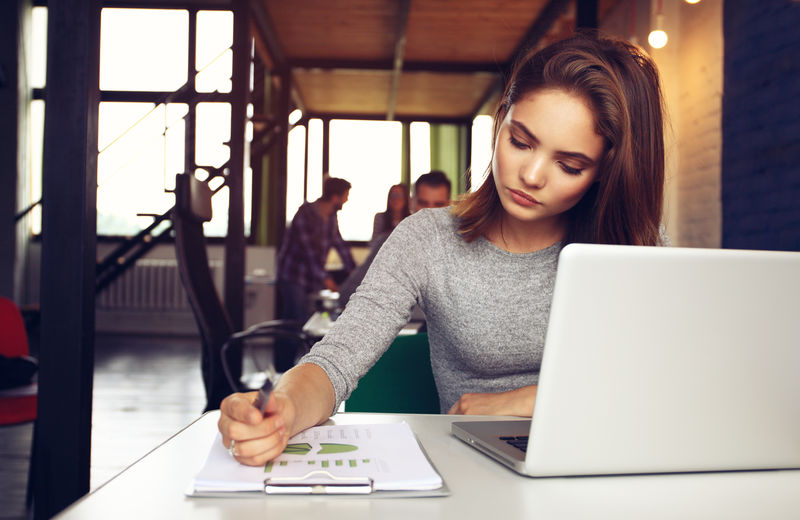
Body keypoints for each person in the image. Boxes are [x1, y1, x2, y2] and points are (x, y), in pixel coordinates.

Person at [219, 32, 666, 466]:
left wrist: (529, 401)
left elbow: (661, 382)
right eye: (520, 141)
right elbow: (337, 357)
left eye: (569, 165)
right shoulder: (426, 238)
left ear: (605, 171)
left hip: (603, 464)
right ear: (501, 118)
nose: (531, 175)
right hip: (474, 474)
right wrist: (284, 408)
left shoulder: (632, 249)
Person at [273, 176, 356, 371]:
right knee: (294, 321)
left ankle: (293, 367)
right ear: (335, 197)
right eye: (345, 196)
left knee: (304, 320)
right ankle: (282, 368)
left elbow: (339, 244)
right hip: (292, 276)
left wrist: (354, 271)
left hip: (309, 278)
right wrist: (329, 282)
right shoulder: (305, 214)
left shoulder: (331, 217)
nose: (347, 200)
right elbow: (309, 254)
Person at [338, 171, 453, 306]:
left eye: (438, 205)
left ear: (449, 206)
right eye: (423, 203)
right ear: (412, 203)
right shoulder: (390, 242)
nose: (429, 212)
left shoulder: (460, 250)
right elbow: (347, 293)